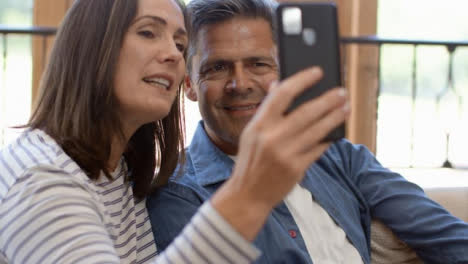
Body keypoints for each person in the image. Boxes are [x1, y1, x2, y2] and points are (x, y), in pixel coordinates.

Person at [0, 0, 348, 263]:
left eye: (181, 44)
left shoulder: (117, 174)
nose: (172, 54)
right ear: (91, 47)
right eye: (148, 32)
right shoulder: (42, 179)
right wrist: (250, 193)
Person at [147, 0, 468, 263]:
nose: (240, 84)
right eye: (217, 68)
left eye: (258, 64)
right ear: (189, 84)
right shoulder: (177, 194)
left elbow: (448, 237)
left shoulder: (338, 156)